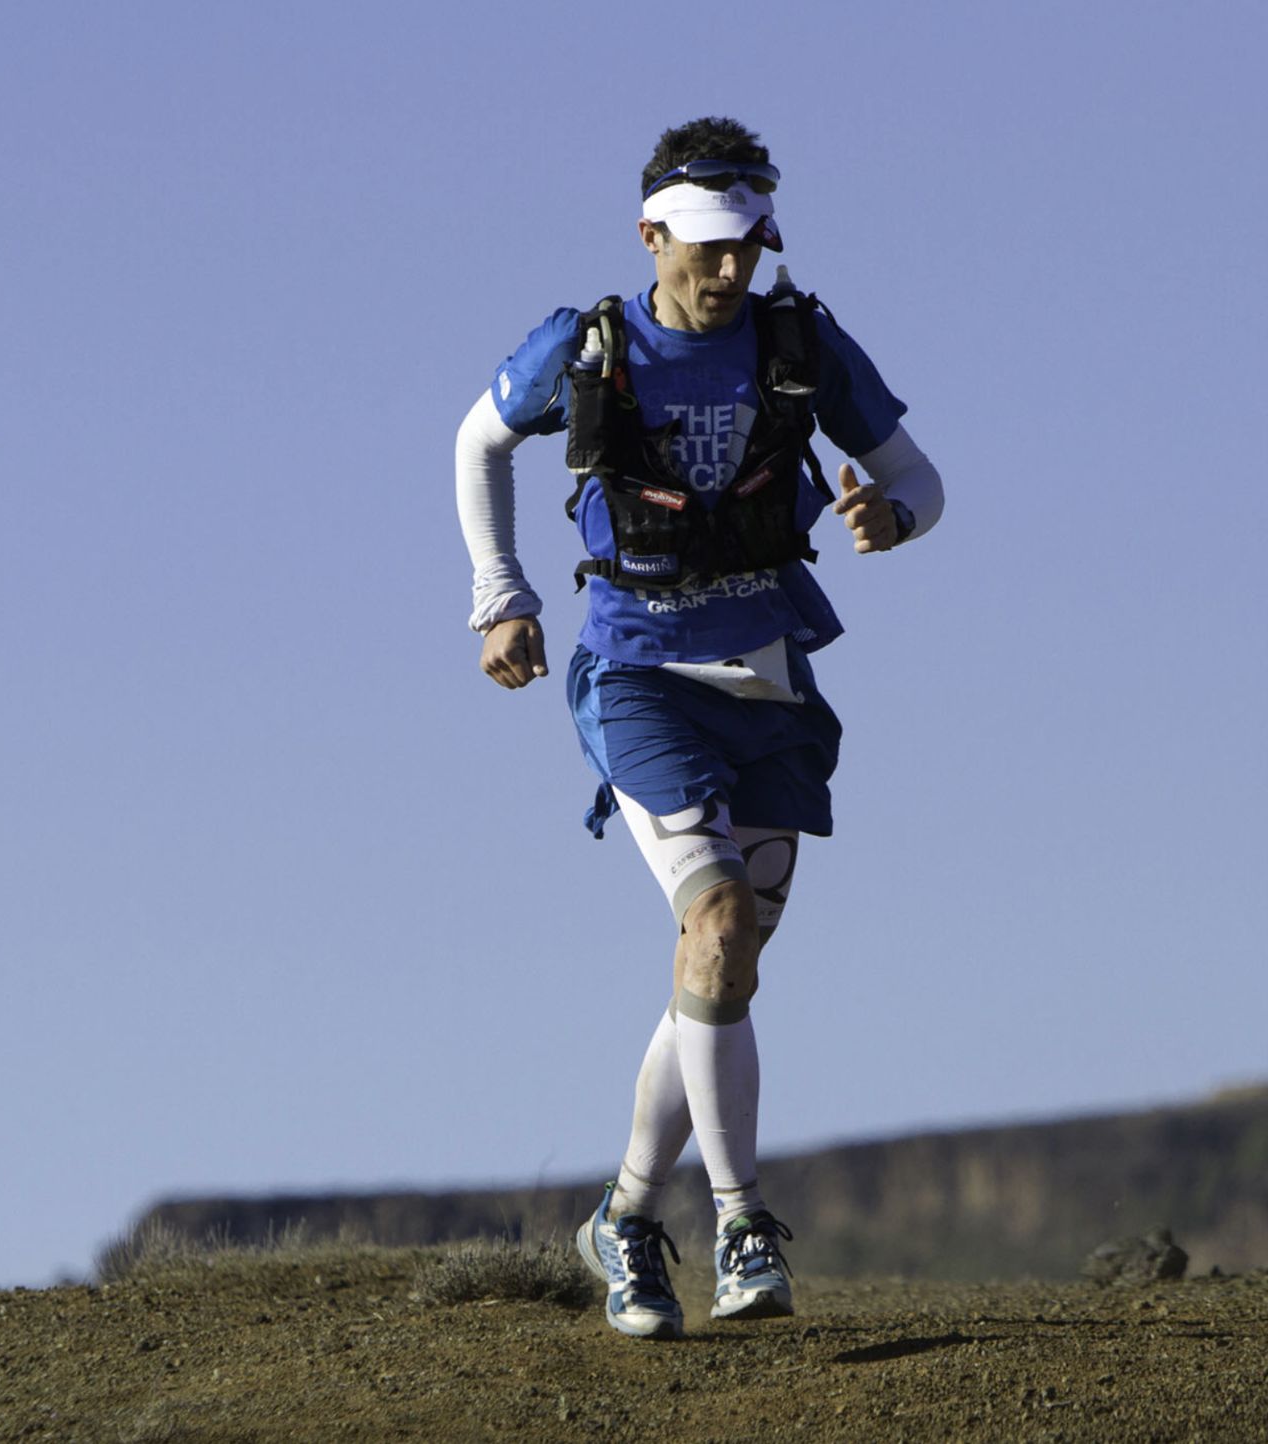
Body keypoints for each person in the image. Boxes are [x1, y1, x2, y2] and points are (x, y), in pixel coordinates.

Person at [452, 117, 943, 1340]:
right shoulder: (586, 346)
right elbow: (476, 443)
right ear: (652, 234)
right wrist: (497, 597)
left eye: (751, 248)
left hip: (770, 679)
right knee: (714, 921)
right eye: (710, 250)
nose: (732, 274)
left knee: (720, 968)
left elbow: (922, 477)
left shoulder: (799, 343)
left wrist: (895, 517)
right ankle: (739, 1223)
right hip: (638, 675)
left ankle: (622, 1219)